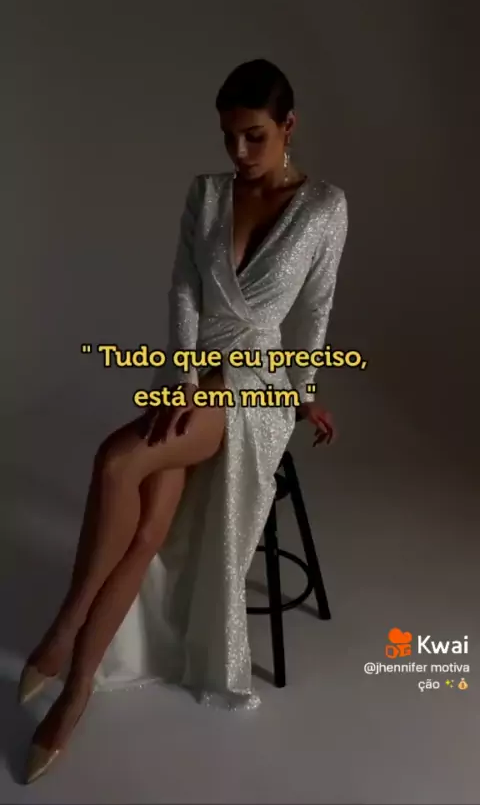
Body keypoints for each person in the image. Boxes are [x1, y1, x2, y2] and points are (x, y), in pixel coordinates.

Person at [19, 58, 348, 783]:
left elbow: (315, 311)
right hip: (192, 376)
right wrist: (182, 380)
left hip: (257, 385)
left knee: (117, 460)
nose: (239, 151)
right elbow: (184, 294)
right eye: (228, 136)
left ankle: (67, 629)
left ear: (288, 126)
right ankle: (77, 691)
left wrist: (303, 391)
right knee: (145, 530)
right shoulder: (207, 194)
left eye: (254, 135)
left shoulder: (324, 207)